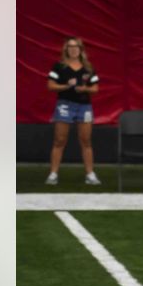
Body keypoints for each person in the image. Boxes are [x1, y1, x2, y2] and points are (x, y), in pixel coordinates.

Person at [45, 37, 101, 185]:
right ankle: (53, 174)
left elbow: (95, 88)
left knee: (86, 141)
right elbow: (50, 86)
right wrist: (66, 86)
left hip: (84, 106)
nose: (73, 49)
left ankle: (90, 174)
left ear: (81, 49)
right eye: (70, 47)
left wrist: (85, 89)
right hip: (64, 105)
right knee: (59, 140)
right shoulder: (59, 66)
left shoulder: (88, 68)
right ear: (66, 49)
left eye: (76, 47)